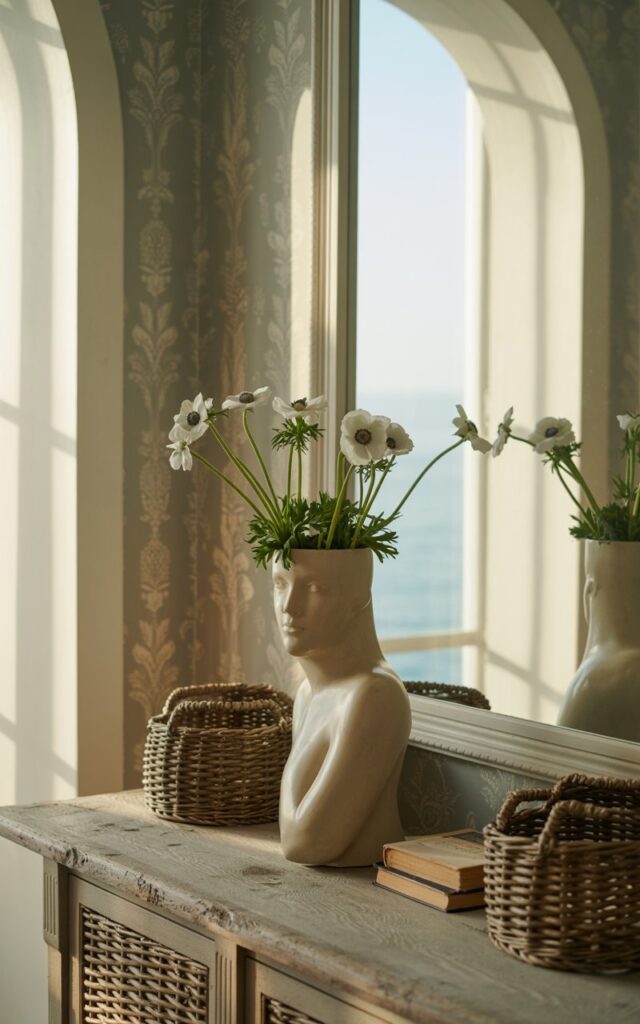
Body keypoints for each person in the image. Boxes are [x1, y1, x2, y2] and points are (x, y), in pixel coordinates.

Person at [273, 548, 412, 866]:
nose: (289, 607)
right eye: (280, 583)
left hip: (366, 883)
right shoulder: (309, 692)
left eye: (314, 588)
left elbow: (302, 843)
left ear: (359, 597)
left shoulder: (374, 696)